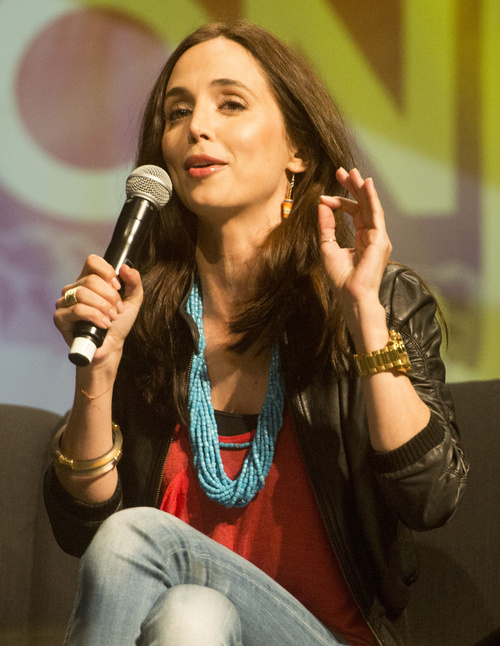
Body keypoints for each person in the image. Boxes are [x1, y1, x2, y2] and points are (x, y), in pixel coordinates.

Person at [44, 20, 468, 646]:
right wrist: (97, 376)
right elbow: (84, 533)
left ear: (297, 148)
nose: (197, 128)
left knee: (141, 541)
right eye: (177, 111)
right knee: (191, 614)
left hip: (326, 636)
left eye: (230, 104)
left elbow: (431, 498)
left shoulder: (376, 298)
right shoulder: (147, 315)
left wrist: (365, 319)